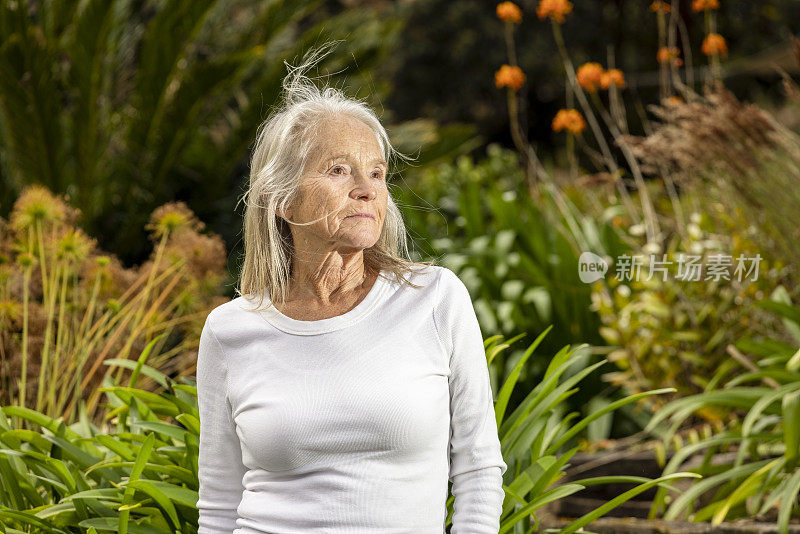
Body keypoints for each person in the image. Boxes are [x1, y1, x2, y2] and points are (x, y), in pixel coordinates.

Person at [195, 42, 507, 534]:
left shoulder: (435, 300)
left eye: (377, 172)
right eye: (339, 170)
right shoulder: (230, 330)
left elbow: (479, 472)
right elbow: (218, 505)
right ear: (283, 201)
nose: (367, 187)